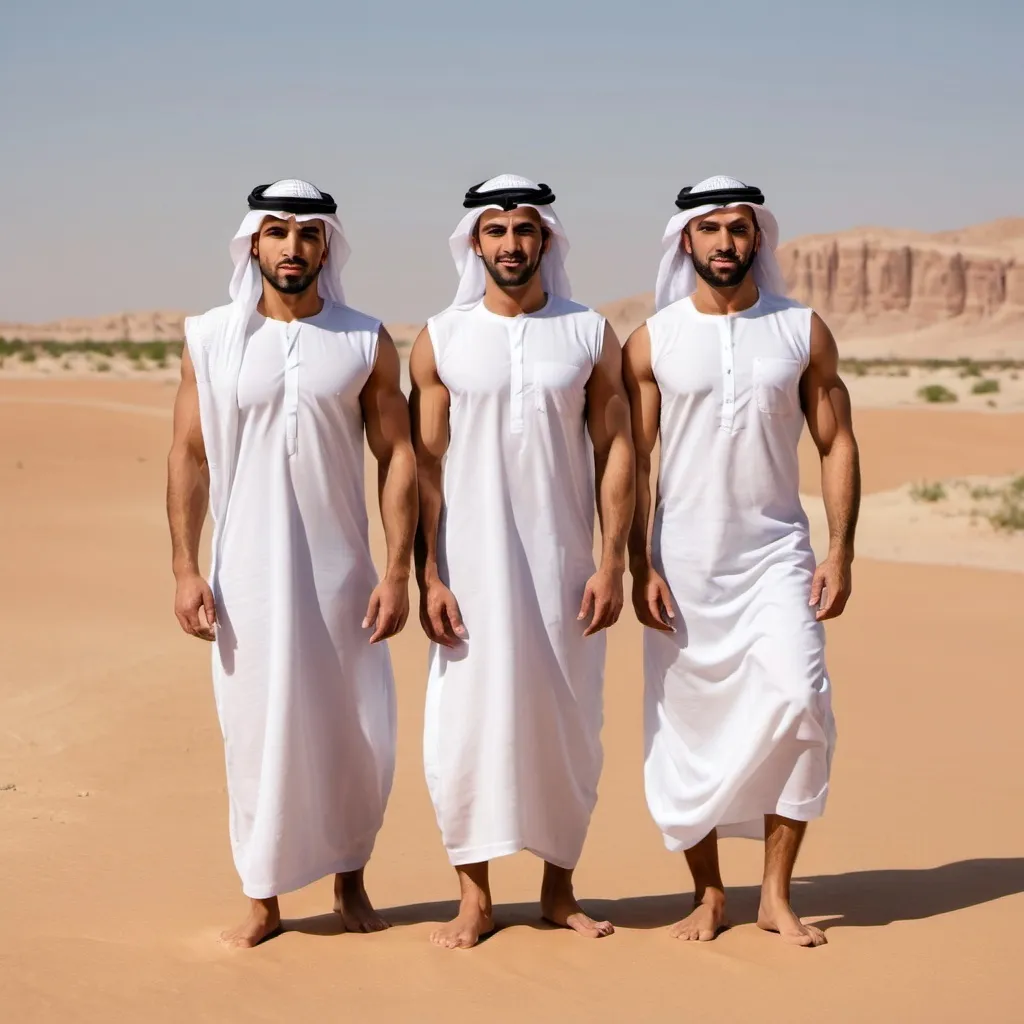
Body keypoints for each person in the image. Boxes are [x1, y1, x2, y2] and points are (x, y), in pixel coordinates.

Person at [166, 179, 416, 947]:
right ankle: (263, 898)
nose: (293, 247)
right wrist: (185, 568)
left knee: (353, 728)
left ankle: (351, 880)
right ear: (252, 245)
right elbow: (188, 454)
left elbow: (398, 453)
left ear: (326, 248)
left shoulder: (363, 338)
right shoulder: (211, 339)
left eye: (308, 235)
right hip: (245, 574)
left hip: (342, 573)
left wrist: (398, 569)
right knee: (256, 731)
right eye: (276, 233)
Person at [623, 175, 860, 947]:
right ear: (684, 241)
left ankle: (776, 895)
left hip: (776, 560)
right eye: (709, 229)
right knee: (689, 728)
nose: (724, 242)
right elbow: (633, 460)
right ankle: (710, 894)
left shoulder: (801, 330)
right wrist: (637, 563)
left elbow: (836, 441)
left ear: (758, 238)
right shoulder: (653, 339)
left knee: (801, 702)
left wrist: (841, 550)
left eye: (738, 228)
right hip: (683, 565)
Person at [410, 175, 634, 949]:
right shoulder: (440, 337)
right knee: (465, 727)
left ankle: (558, 890)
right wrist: (428, 575)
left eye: (524, 230)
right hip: (471, 572)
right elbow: (425, 469)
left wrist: (612, 562)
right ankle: (473, 898)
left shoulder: (587, 333)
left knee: (568, 723)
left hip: (564, 570)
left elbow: (617, 451)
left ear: (546, 241)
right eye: (496, 231)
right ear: (474, 243)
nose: (511, 244)